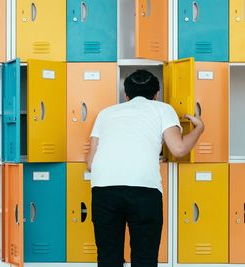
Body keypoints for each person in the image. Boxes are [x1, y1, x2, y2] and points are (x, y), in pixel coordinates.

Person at [86, 69, 204, 267]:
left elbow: (90, 163)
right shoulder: (163, 109)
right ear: (156, 94)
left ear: (126, 95)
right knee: (144, 258)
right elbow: (179, 148)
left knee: (108, 257)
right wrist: (200, 128)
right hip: (144, 190)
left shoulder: (105, 113)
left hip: (104, 190)